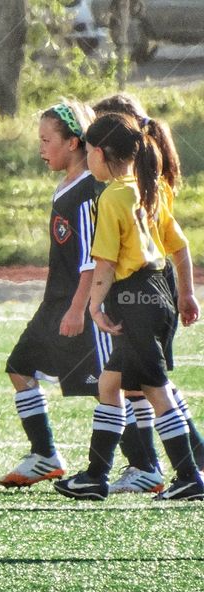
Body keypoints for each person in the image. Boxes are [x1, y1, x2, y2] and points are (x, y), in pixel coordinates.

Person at [55, 113, 202, 501]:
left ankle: (188, 476)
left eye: (88, 153)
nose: (88, 161)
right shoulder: (149, 187)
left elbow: (104, 263)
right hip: (157, 293)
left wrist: (94, 307)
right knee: (110, 382)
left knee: (155, 390)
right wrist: (186, 294)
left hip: (134, 298)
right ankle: (95, 476)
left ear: (101, 153)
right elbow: (180, 247)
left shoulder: (112, 196)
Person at [0, 101, 112, 488]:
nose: (41, 148)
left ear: (75, 142)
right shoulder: (66, 187)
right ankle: (45, 454)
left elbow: (90, 263)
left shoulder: (86, 193)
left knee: (111, 386)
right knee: (19, 367)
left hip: (75, 304)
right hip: (56, 303)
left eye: (48, 140)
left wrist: (78, 309)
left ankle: (147, 463)